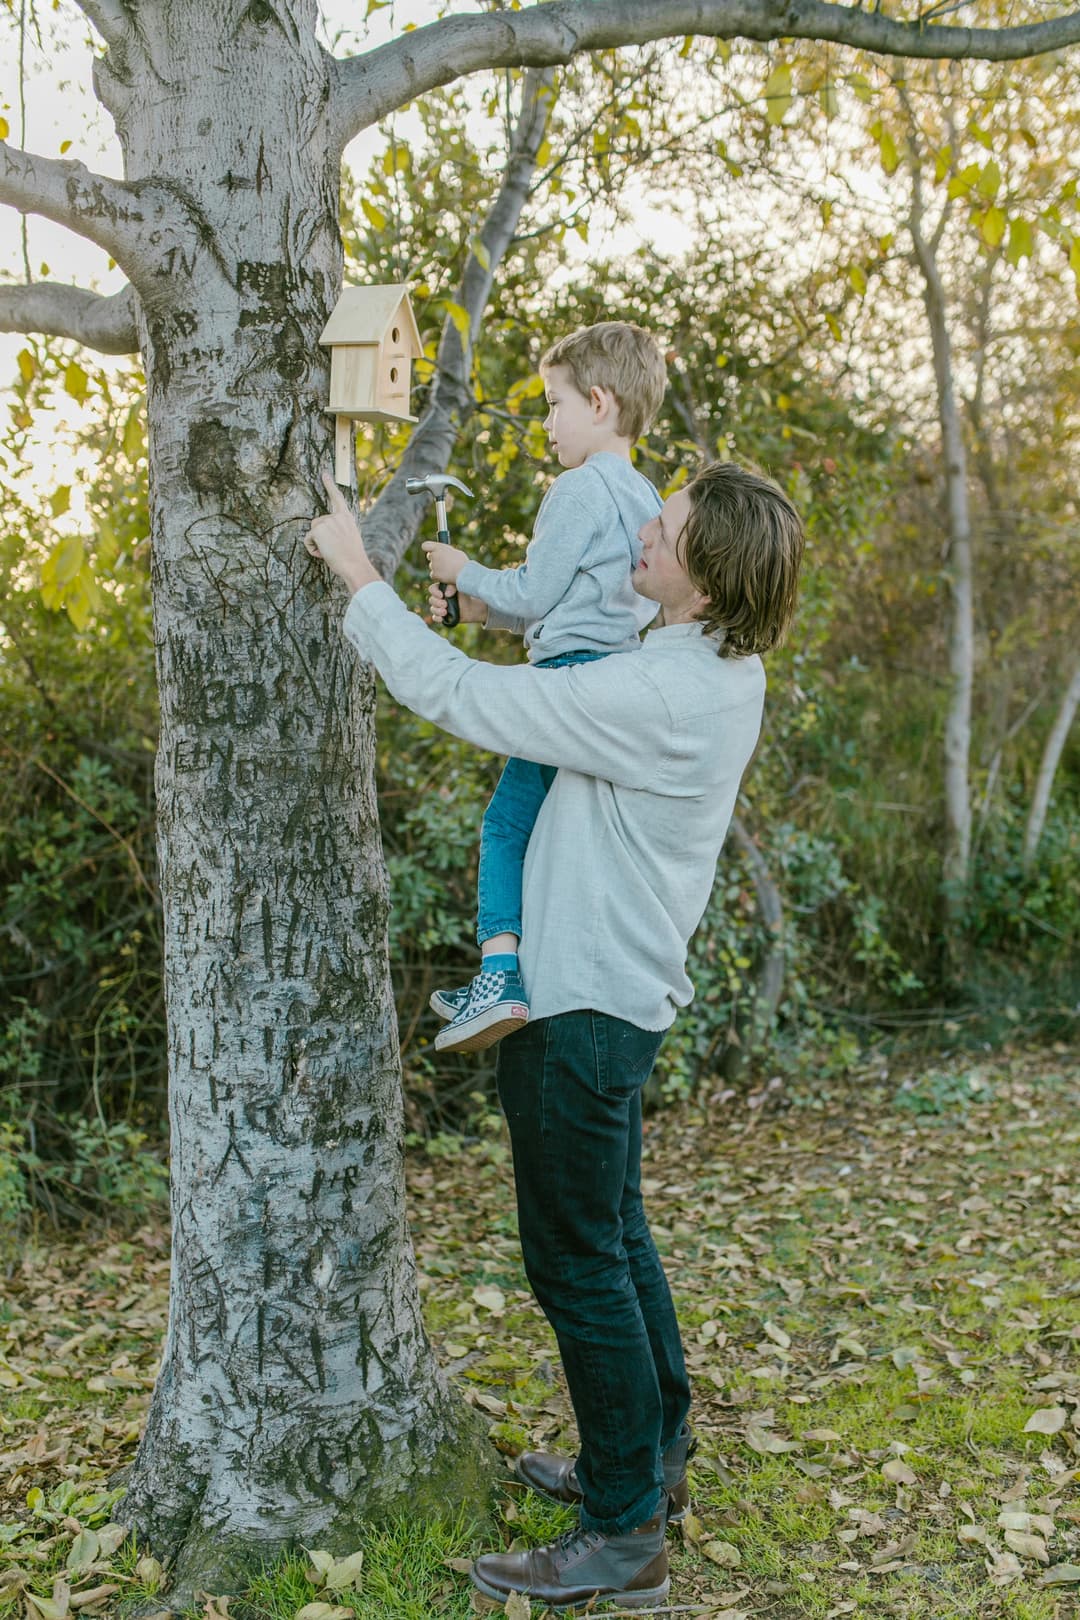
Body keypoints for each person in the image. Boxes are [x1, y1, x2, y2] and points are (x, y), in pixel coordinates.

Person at [304, 456, 804, 1612]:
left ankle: (624, 1532)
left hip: (578, 1005)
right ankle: (651, 1458)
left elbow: (474, 702)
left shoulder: (664, 693)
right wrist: (488, 594)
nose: (642, 536)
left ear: (708, 581)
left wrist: (359, 580)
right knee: (616, 1237)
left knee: (574, 1260)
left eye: (664, 535)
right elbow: (563, 644)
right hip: (615, 1001)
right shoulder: (705, 662)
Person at [422, 321, 667, 1057]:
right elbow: (577, 606)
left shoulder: (579, 488)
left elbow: (534, 593)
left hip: (563, 684)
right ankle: (523, 967)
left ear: (597, 401)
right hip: (609, 679)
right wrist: (479, 611)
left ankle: (500, 973)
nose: (547, 422)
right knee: (551, 835)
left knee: (504, 827)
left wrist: (464, 570)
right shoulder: (644, 496)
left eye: (554, 403)